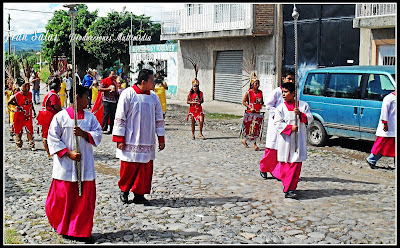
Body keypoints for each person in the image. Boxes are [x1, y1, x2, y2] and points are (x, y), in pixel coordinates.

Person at [45, 84, 102, 242]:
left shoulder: (90, 117)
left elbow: (98, 133)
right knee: (63, 200)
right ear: (77, 97)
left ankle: (80, 231)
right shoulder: (60, 117)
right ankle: (63, 226)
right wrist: (68, 153)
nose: (88, 100)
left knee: (84, 202)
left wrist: (84, 134)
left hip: (85, 167)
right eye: (86, 97)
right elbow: (53, 138)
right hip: (66, 167)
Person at [112, 69, 165, 204]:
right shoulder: (128, 94)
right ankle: (124, 191)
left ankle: (139, 194)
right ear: (143, 82)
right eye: (152, 81)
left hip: (147, 139)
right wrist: (119, 138)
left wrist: (161, 137)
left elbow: (159, 118)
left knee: (145, 169)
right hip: (131, 138)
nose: (154, 83)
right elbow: (120, 116)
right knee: (129, 167)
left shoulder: (154, 97)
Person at [274, 82, 313, 198]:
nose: (283, 95)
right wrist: (290, 128)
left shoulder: (303, 106)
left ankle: (290, 188)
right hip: (286, 140)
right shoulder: (280, 107)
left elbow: (310, 119)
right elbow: (277, 122)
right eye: (282, 92)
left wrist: (300, 115)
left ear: (293, 93)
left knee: (295, 164)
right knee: (285, 164)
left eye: (286, 92)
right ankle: (287, 186)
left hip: (298, 140)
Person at [259, 70, 295, 180]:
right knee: (271, 149)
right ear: (283, 79)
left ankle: (279, 172)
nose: (291, 81)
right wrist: (279, 115)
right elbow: (269, 106)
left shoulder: (293, 93)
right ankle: (264, 168)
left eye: (293, 79)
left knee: (282, 150)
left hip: (286, 125)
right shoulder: (276, 92)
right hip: (276, 125)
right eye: (289, 79)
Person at [366, 91, 396, 169]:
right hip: (388, 128)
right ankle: (371, 159)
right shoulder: (389, 98)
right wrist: (385, 123)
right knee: (382, 146)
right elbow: (384, 112)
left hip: (394, 127)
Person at [7, 80, 37, 151]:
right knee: (19, 129)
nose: (25, 93)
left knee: (29, 129)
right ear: (21, 90)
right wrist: (17, 105)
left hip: (28, 114)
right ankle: (19, 144)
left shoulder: (29, 94)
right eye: (24, 91)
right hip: (19, 114)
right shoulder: (17, 95)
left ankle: (31, 144)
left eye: (27, 91)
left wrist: (34, 111)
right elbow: (9, 102)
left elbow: (31, 102)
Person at [37, 77, 62, 158]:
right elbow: (56, 107)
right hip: (47, 115)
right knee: (47, 134)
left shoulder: (50, 93)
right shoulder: (53, 95)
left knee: (48, 133)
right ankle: (49, 153)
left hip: (46, 114)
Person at [241, 72, 264, 151]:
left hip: (257, 112)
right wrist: (250, 107)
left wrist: (261, 102)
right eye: (256, 83)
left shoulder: (260, 92)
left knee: (256, 128)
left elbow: (262, 102)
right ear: (252, 84)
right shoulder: (249, 92)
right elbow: (244, 102)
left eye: (258, 83)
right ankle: (254, 144)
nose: (257, 85)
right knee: (250, 128)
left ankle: (245, 140)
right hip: (250, 112)